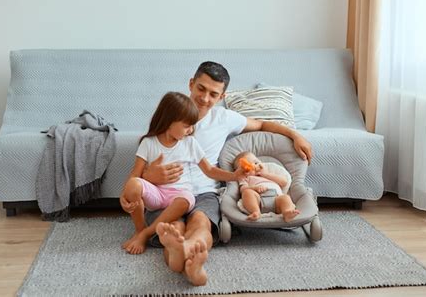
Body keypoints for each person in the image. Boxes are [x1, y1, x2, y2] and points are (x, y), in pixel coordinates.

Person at [121, 61, 313, 286]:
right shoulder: (172, 114)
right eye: (201, 89)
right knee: (173, 229)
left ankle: (187, 254)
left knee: (201, 223)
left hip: (204, 192)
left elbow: (261, 124)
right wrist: (148, 177)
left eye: (213, 94)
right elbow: (147, 157)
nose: (204, 98)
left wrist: (295, 135)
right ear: (191, 84)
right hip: (169, 192)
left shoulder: (225, 118)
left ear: (222, 97)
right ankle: (181, 255)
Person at [120, 92, 247, 255]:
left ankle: (146, 233)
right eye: (187, 126)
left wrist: (234, 176)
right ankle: (139, 230)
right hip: (157, 195)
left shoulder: (189, 143)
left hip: (178, 197)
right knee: (133, 184)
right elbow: (135, 174)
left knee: (187, 199)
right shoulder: (149, 143)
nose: (191, 130)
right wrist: (125, 194)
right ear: (169, 122)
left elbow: (209, 170)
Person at [234, 151, 300, 221]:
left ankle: (287, 212)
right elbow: (242, 189)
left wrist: (265, 174)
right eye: (248, 168)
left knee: (286, 198)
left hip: (276, 199)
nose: (255, 167)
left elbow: (284, 182)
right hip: (258, 200)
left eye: (256, 163)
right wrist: (254, 188)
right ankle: (256, 212)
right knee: (247, 192)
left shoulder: (269, 173)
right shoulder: (245, 178)